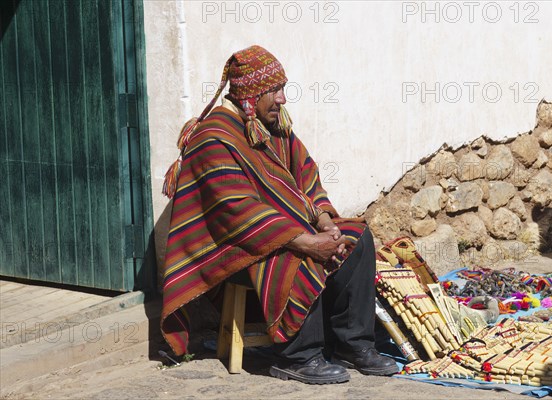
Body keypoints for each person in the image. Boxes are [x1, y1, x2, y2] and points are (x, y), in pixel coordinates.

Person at [160, 45, 398, 384]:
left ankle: (352, 344)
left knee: (357, 239)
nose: (283, 99)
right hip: (238, 251)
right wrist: (306, 242)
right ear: (250, 95)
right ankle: (297, 356)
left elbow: (306, 175)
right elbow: (238, 214)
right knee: (295, 256)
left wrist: (326, 224)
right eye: (275, 90)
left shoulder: (273, 127)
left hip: (285, 232)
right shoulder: (213, 138)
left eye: (283, 89)